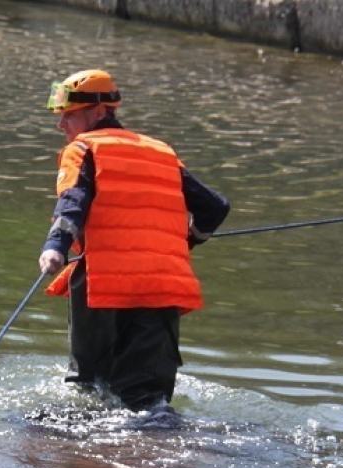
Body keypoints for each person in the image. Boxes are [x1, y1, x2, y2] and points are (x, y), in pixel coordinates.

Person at [38, 69, 229, 412]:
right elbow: (214, 207)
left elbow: (72, 204)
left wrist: (55, 247)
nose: (60, 125)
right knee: (148, 400)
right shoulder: (162, 152)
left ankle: (85, 458)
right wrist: (185, 242)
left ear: (98, 112)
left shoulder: (83, 149)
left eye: (69, 115)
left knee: (91, 391)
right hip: (163, 282)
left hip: (104, 283)